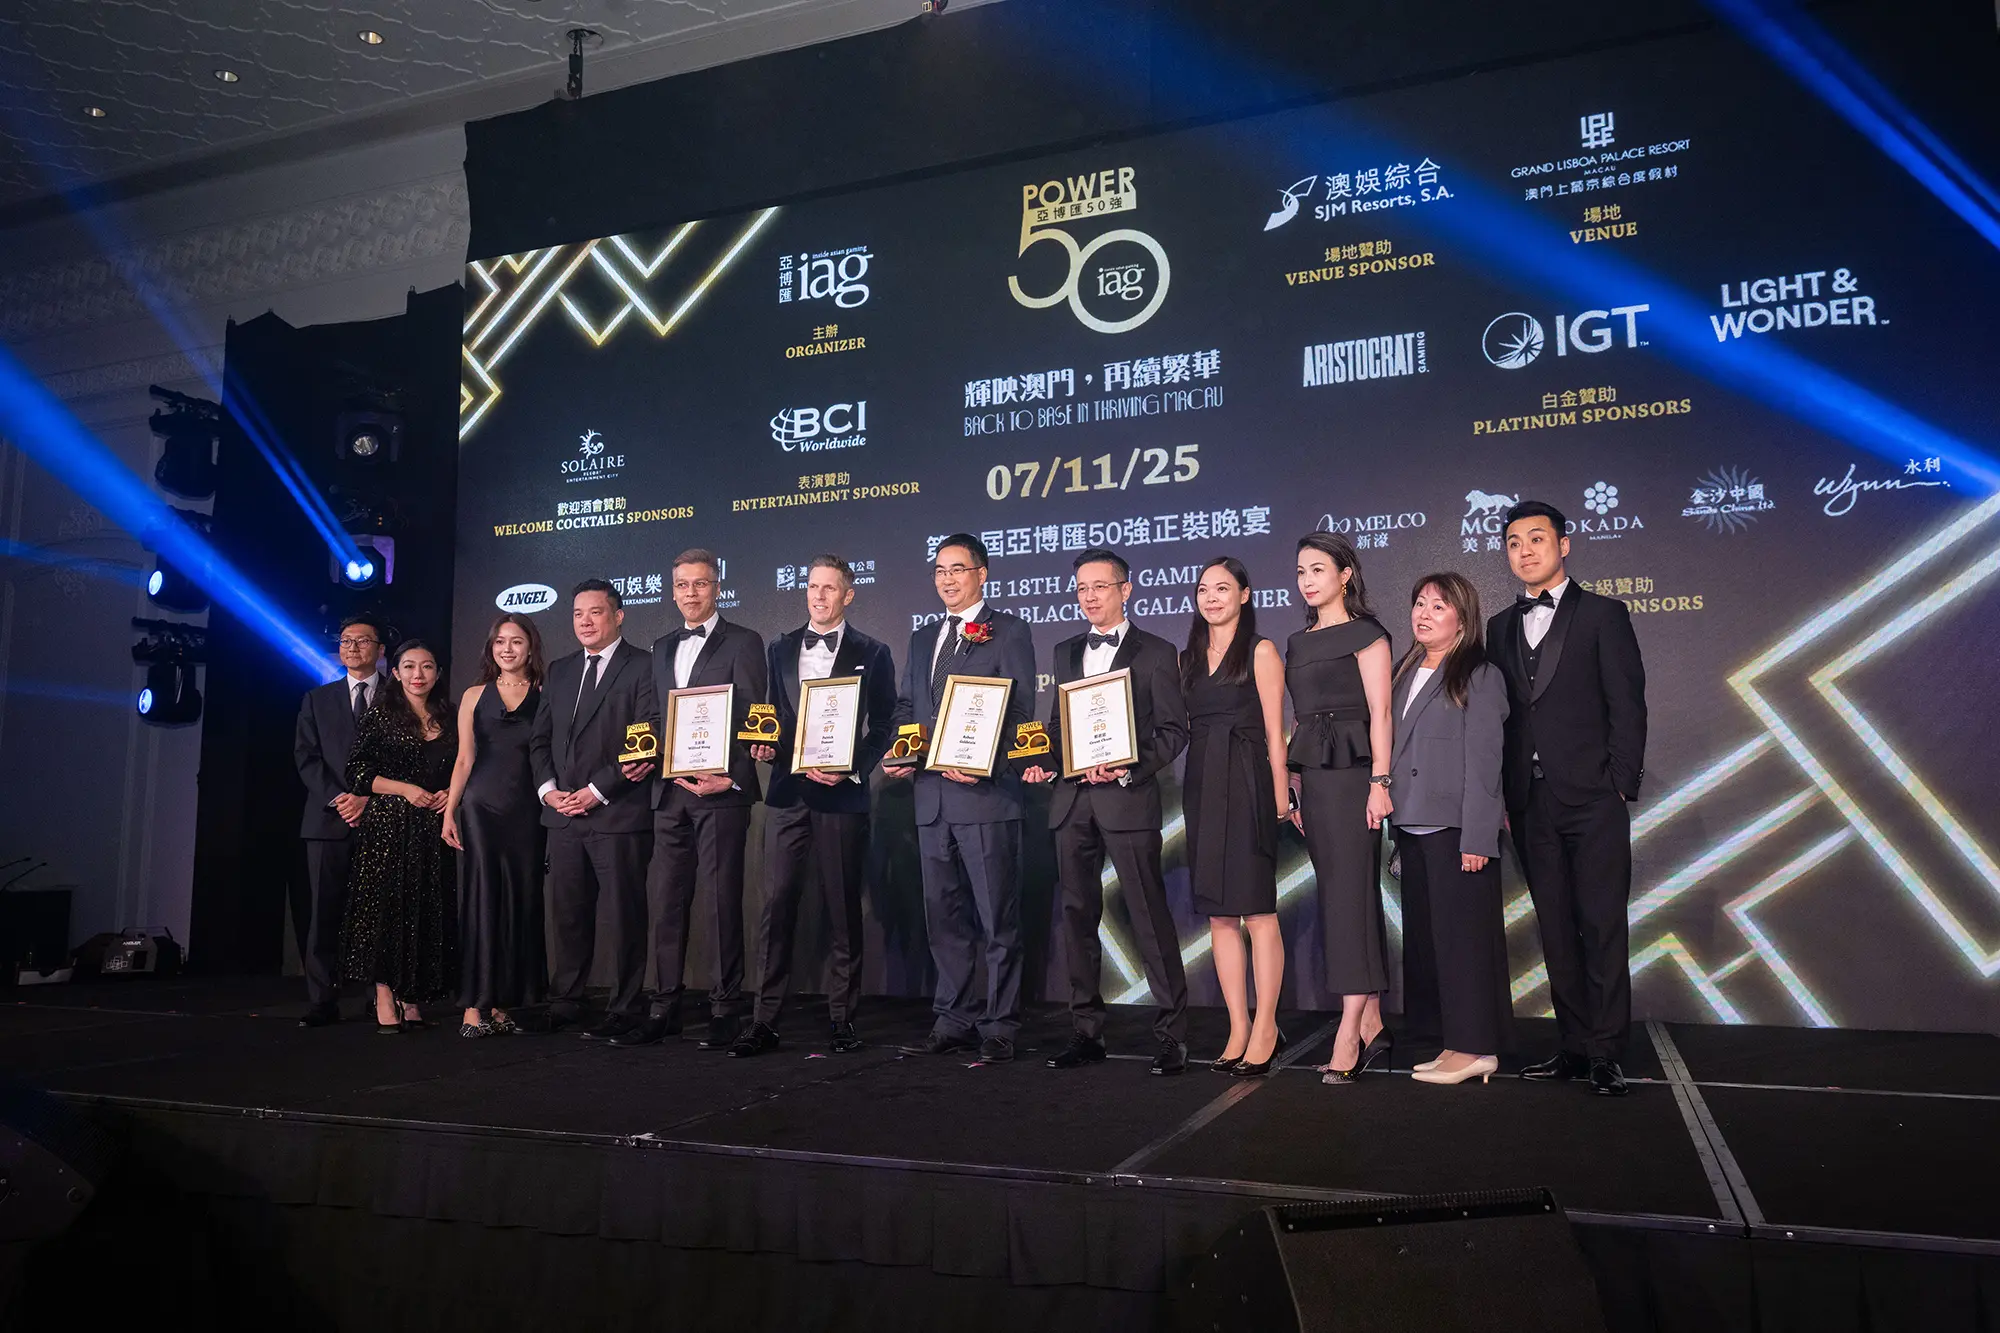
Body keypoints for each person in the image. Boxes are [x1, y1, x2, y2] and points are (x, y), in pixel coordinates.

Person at [1486, 500, 1647, 1097]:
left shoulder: (1604, 614)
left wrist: (1619, 784)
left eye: (1536, 538)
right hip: (1529, 802)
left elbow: (1627, 704)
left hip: (1593, 798)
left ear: (1564, 544)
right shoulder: (1499, 627)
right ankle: (1574, 1046)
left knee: (1601, 925)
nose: (1524, 550)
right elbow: (1502, 719)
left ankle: (1606, 1051)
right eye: (1514, 542)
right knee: (1554, 927)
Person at [1024, 549, 1192, 1076]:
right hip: (1072, 802)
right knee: (1077, 919)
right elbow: (1059, 728)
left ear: (1126, 589)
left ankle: (1172, 1035)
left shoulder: (1158, 652)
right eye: (1081, 588)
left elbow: (1174, 732)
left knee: (1148, 916)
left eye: (1100, 586)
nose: (1089, 597)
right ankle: (1086, 1032)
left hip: (1127, 799)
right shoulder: (1065, 651)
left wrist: (1125, 766)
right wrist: (1047, 761)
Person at [735, 555, 898, 1057]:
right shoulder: (780, 647)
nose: (819, 596)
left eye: (830, 588)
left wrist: (854, 767)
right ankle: (764, 1021)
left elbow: (886, 722)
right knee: (775, 907)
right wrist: (763, 746)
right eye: (812, 587)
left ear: (848, 595)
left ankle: (842, 1020)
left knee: (843, 908)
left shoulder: (873, 651)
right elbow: (771, 714)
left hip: (841, 796)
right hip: (788, 792)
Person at [883, 533, 1036, 1063]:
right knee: (944, 918)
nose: (947, 579)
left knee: (997, 920)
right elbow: (907, 707)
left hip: (986, 797)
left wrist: (984, 763)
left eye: (958, 569)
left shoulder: (1009, 630)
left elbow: (1020, 713)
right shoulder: (923, 638)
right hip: (931, 798)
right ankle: (954, 1017)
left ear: (982, 574)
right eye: (940, 571)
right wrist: (901, 747)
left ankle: (1000, 1023)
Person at [624, 549, 768, 1050]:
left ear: (717, 587)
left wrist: (733, 778)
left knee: (722, 901)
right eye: (682, 585)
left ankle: (726, 1008)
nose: (691, 593)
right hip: (669, 792)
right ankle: (664, 1007)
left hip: (720, 791)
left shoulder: (744, 641)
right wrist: (641, 754)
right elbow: (654, 717)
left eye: (700, 584)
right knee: (666, 902)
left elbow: (755, 715)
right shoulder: (662, 645)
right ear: (673, 591)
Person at [1387, 574, 1512, 1087]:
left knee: (1466, 943)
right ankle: (1453, 1043)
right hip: (1410, 825)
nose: (1424, 613)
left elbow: (1485, 764)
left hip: (1456, 829)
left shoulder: (1479, 675)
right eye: (1420, 603)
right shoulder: (1404, 670)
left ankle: (1477, 1048)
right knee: (1434, 943)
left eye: (1438, 606)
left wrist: (1478, 837)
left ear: (1463, 617)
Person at [1287, 532, 1395, 1085]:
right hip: (1315, 782)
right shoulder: (1296, 642)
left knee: (1352, 896)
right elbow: (1300, 720)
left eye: (1317, 569)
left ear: (1344, 574)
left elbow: (1382, 712)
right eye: (1301, 571)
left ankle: (1349, 1027)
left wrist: (1380, 781)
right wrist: (1294, 783)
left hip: (1357, 779)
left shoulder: (1368, 633)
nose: (1307, 581)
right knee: (1339, 899)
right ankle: (1373, 1019)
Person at [528, 580, 657, 1039]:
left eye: (595, 612)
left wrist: (597, 790)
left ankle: (625, 1006)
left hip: (617, 812)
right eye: (578, 613)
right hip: (563, 814)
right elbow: (539, 740)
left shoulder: (644, 666)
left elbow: (648, 734)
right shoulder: (560, 670)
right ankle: (566, 1000)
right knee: (568, 915)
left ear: (618, 616)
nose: (585, 621)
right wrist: (549, 791)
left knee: (624, 916)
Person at [1179, 557, 1291, 1076]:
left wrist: (1280, 796)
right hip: (1202, 783)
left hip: (1248, 782)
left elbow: (1274, 732)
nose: (1212, 598)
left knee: (1257, 911)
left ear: (1244, 595)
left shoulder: (1260, 650)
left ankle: (1267, 1026)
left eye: (1223, 588)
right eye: (1204, 589)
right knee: (1219, 915)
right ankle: (1238, 1027)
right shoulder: (1186, 658)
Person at [339, 639, 459, 1031]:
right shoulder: (381, 714)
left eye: (426, 666)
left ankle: (412, 997)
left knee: (424, 911)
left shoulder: (451, 715)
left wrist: (451, 792)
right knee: (387, 912)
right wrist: (404, 789)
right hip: (388, 827)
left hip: (433, 828)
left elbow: (466, 764)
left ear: (437, 673)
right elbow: (357, 772)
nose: (417, 674)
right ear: (395, 672)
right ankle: (384, 995)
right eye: (409, 666)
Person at [442, 614, 548, 1039]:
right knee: (482, 900)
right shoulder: (474, 695)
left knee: (520, 901)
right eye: (500, 641)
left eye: (516, 641)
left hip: (527, 809)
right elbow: (464, 758)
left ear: (530, 647)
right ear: (491, 647)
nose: (507, 649)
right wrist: (450, 811)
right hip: (480, 807)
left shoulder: (545, 693)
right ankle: (474, 1005)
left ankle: (503, 1003)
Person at [291, 614, 386, 1028]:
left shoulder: (399, 696)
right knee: (323, 914)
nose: (352, 648)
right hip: (327, 821)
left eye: (362, 641)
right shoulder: (317, 699)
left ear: (380, 650)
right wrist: (341, 798)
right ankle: (322, 999)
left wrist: (367, 799)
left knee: (378, 913)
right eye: (346, 641)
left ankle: (379, 997)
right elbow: (306, 758)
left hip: (381, 819)